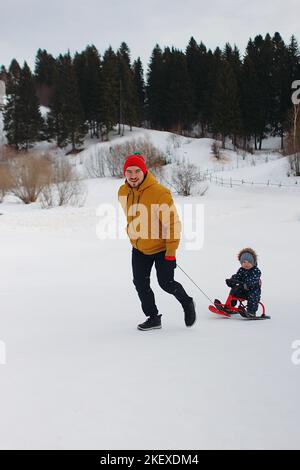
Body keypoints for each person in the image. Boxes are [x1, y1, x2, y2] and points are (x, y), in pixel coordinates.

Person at [118, 153, 196, 331]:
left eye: (137, 170)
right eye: (129, 171)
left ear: (144, 171)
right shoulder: (123, 192)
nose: (133, 175)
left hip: (162, 250)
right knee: (140, 284)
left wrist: (171, 253)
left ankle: (187, 302)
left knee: (166, 283)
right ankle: (153, 318)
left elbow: (173, 224)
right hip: (139, 248)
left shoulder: (159, 193)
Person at [226, 248, 262, 318]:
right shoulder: (241, 270)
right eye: (244, 262)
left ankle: (251, 312)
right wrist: (232, 281)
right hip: (243, 290)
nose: (246, 264)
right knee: (234, 289)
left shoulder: (256, 271)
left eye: (249, 262)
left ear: (253, 262)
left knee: (253, 295)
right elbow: (237, 277)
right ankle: (229, 306)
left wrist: (247, 283)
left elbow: (253, 279)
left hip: (252, 290)